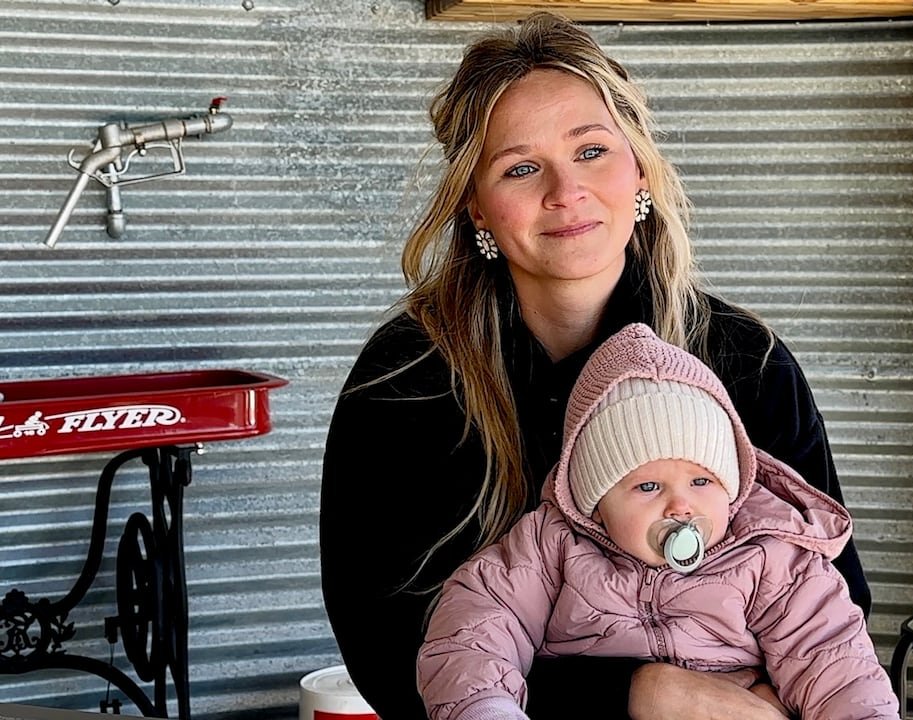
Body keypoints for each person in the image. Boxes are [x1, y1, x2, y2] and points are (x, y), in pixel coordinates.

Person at [319, 11, 872, 720]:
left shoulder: (745, 363)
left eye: (591, 151)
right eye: (520, 168)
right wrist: (642, 694)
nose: (564, 191)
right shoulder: (408, 377)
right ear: (477, 208)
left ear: (638, 168)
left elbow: (837, 617)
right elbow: (386, 649)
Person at [418, 324, 897, 720]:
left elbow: (831, 657)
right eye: (648, 487)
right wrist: (486, 709)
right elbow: (476, 627)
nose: (680, 507)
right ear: (595, 500)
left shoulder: (768, 555)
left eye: (701, 482)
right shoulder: (553, 547)